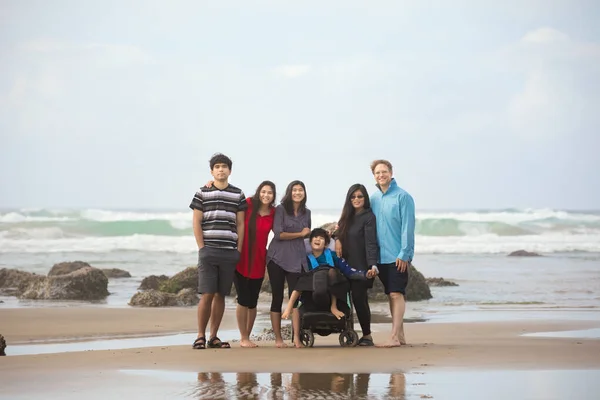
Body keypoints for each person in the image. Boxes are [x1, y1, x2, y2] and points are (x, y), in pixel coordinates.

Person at [189, 153, 247, 350]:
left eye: (224, 166)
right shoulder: (202, 193)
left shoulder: (238, 194)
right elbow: (196, 221)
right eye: (217, 167)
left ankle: (213, 336)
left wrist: (238, 249)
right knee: (207, 294)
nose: (221, 169)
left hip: (229, 252)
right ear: (212, 171)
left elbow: (240, 224)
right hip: (209, 251)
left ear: (230, 171)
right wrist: (202, 248)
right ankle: (200, 336)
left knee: (221, 295)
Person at [281, 228, 376, 332]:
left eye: (321, 238)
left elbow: (349, 271)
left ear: (326, 244)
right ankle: (289, 307)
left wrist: (365, 274)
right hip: (313, 296)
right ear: (310, 242)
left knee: (331, 273)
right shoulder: (306, 260)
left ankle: (333, 307)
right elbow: (300, 284)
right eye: (315, 237)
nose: (318, 239)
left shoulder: (333, 256)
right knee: (305, 278)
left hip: (333, 294)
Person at [369, 159, 415, 348]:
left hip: (398, 255)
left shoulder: (403, 197)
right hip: (380, 256)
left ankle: (394, 336)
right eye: (377, 173)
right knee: (391, 294)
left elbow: (408, 227)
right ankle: (401, 335)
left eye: (384, 171)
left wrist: (405, 253)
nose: (381, 175)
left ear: (391, 172)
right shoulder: (373, 199)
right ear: (374, 176)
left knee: (396, 293)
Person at [265, 180, 311, 348]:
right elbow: (278, 234)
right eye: (295, 190)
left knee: (296, 299)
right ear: (289, 192)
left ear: (304, 193)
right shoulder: (281, 210)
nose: (298, 193)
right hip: (277, 258)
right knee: (277, 297)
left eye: (301, 190)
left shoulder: (307, 213)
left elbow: (307, 237)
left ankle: (296, 338)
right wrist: (300, 233)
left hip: (297, 258)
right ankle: (278, 339)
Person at [334, 183, 379, 346]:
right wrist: (337, 239)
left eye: (360, 196)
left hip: (361, 266)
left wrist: (373, 265)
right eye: (353, 196)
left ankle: (367, 335)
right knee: (342, 299)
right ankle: (347, 331)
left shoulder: (369, 217)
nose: (356, 199)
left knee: (359, 300)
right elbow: (336, 232)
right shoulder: (347, 216)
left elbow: (371, 243)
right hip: (344, 265)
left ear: (365, 198)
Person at [233, 181, 276, 348]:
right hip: (241, 258)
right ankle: (243, 337)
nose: (266, 195)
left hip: (259, 260)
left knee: (253, 301)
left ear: (273, 196)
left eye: (270, 193)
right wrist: (211, 184)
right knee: (243, 299)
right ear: (259, 192)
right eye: (264, 191)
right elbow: (230, 201)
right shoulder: (248, 203)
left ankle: (247, 337)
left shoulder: (274, 212)